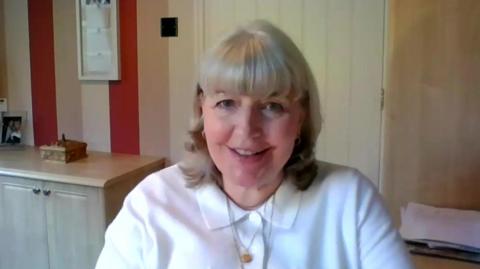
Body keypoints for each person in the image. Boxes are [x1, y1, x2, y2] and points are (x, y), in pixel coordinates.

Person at [95, 20, 413, 269]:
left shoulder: (352, 202)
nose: (247, 131)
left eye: (272, 106)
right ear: (201, 110)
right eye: (227, 103)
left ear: (300, 117)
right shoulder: (151, 205)